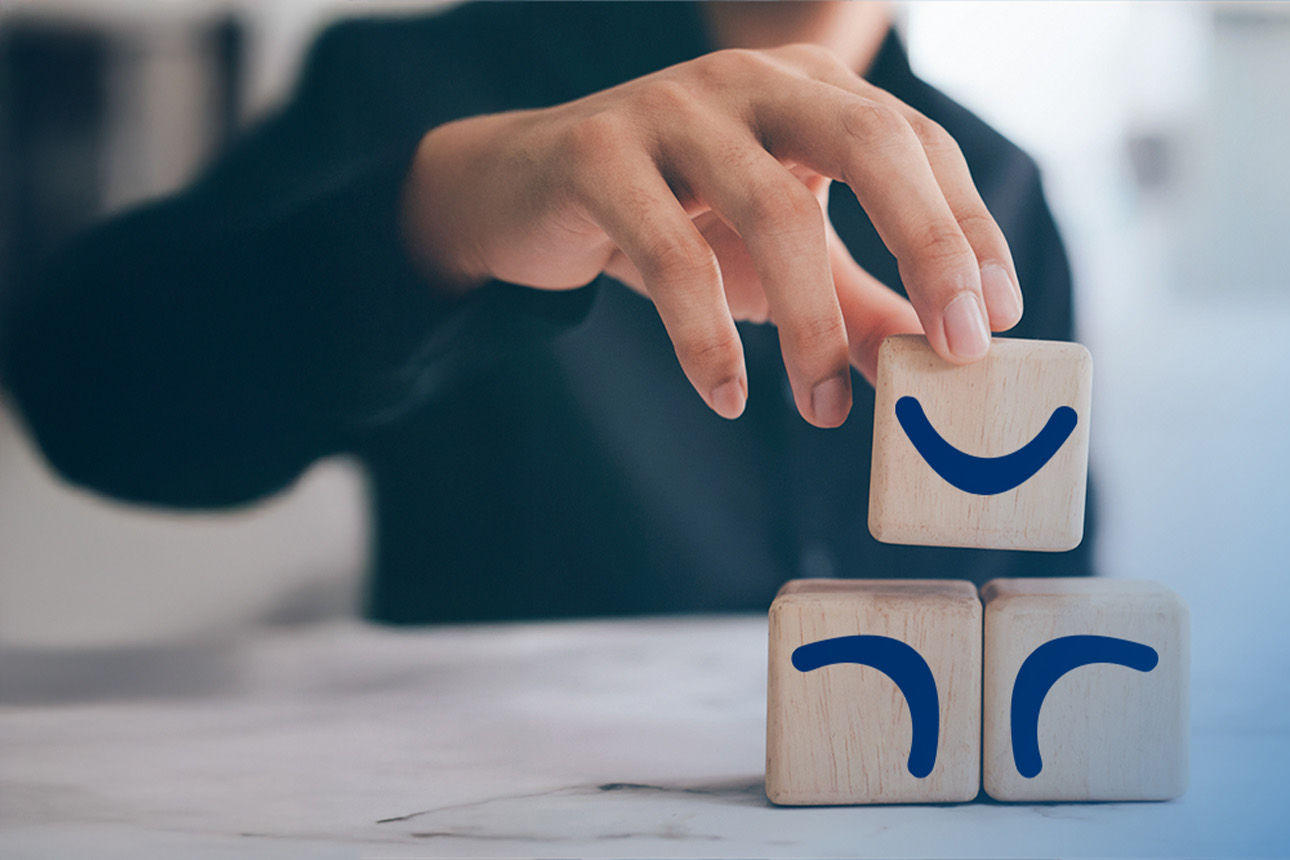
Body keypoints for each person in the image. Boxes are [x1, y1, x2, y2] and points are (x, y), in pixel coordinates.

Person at [1, 2, 1094, 624]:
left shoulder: (998, 180)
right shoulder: (411, 83)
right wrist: (439, 212)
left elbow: (1043, 586)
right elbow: (86, 389)